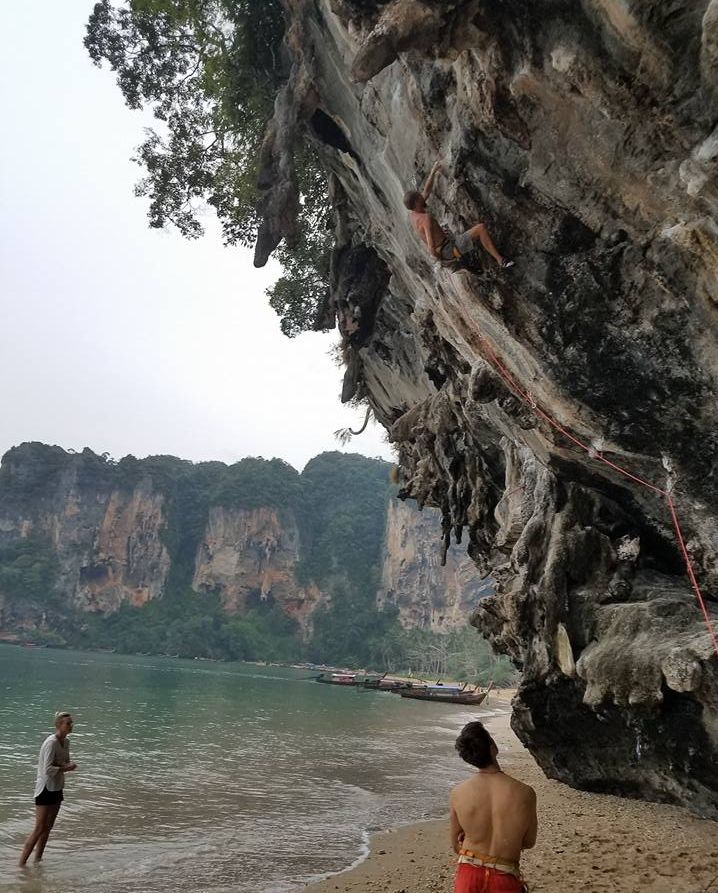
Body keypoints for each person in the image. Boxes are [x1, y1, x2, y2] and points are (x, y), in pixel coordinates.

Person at [449, 721, 536, 892]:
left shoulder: (458, 793)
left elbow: (455, 845)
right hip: (504, 875)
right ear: (493, 748)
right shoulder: (525, 793)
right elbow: (529, 841)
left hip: (468, 874)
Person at [405, 159, 513, 270]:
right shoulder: (425, 219)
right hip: (448, 249)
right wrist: (445, 260)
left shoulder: (413, 215)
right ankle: (501, 261)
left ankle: (472, 260)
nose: (422, 197)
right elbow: (431, 248)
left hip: (445, 244)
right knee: (481, 229)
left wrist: (433, 172)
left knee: (461, 229)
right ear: (417, 202)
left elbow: (426, 192)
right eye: (419, 198)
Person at [19, 711, 77, 866]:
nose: (71, 725)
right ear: (58, 725)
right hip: (45, 787)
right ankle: (21, 865)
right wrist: (66, 768)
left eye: (71, 722)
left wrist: (66, 765)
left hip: (57, 787)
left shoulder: (66, 742)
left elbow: (65, 761)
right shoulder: (50, 742)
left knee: (48, 827)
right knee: (39, 828)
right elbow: (47, 770)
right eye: (68, 723)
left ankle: (37, 860)